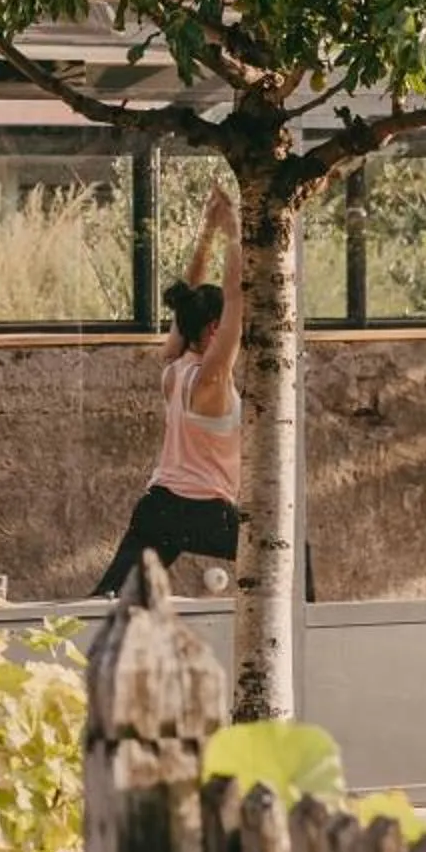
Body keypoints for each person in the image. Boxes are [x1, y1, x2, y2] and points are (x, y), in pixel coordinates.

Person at [95, 186, 250, 596]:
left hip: (158, 508)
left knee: (109, 599)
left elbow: (187, 301)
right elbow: (236, 297)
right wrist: (234, 231)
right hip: (205, 513)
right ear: (214, 328)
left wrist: (207, 232)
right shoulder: (211, 379)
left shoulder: (174, 369)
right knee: (290, 555)